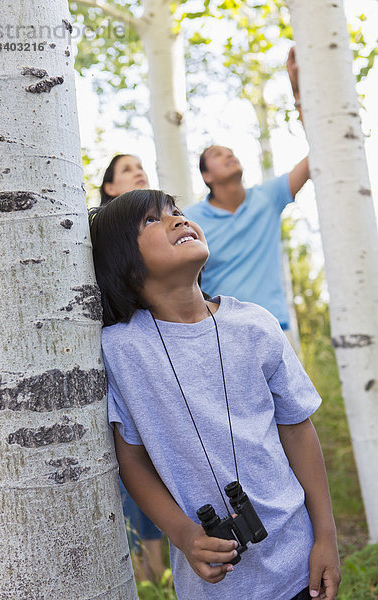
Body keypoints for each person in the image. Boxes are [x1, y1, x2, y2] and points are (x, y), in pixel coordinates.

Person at [89, 188, 341, 600]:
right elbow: (130, 457)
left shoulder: (255, 325)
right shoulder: (120, 350)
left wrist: (325, 538)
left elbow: (297, 429)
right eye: (152, 220)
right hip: (215, 588)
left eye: (176, 211)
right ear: (124, 264)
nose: (177, 219)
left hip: (299, 565)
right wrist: (185, 535)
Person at [184, 48, 307, 331]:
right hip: (218, 331)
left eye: (231, 152)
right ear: (206, 175)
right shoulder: (190, 220)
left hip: (274, 327)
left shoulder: (268, 197)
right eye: (218, 154)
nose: (229, 155)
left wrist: (297, 92)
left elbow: (318, 155)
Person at [97, 153, 166, 583]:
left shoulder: (159, 234)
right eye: (126, 170)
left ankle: (159, 574)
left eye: (141, 166)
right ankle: (147, 577)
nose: (137, 171)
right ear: (108, 188)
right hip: (118, 367)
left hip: (157, 366)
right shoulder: (99, 240)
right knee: (132, 467)